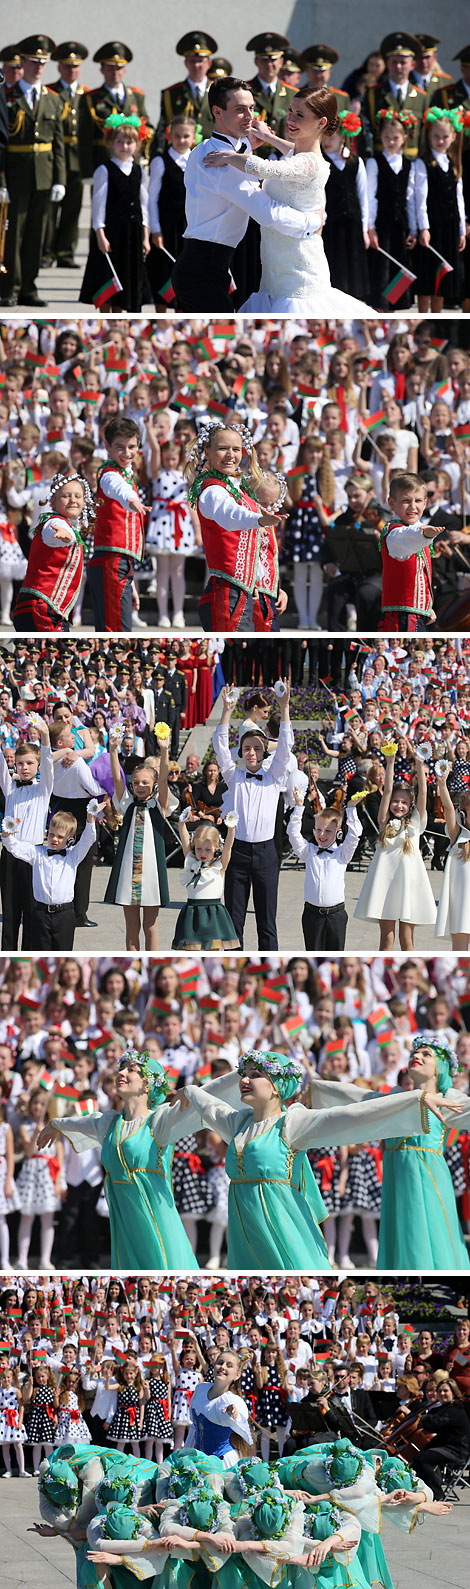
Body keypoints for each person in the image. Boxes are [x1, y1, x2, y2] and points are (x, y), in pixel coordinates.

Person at [182, 1046, 453, 1270]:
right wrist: (188, 1091)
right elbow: (210, 1106)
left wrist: (414, 1100)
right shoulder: (237, 1123)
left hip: (281, 1223)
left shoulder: (291, 1122)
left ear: (277, 1087)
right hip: (244, 1230)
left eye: (256, 1075)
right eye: (245, 1074)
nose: (244, 1080)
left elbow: (352, 1114)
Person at [37, 1046, 237, 1270]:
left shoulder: (159, 1121)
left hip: (154, 1213)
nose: (121, 1073)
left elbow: (211, 1095)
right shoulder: (110, 1123)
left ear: (147, 1084)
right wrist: (56, 1125)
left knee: (163, 1264)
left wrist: (192, 1090)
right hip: (124, 1215)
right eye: (121, 1068)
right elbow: (83, 1122)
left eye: (131, 1070)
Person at [205, 86, 376, 314]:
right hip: (276, 264)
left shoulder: (309, 163)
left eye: (300, 115)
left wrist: (230, 156)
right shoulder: (299, 155)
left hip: (298, 267)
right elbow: (291, 151)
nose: (291, 119)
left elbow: (265, 168)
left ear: (321, 123)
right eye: (291, 111)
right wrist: (268, 137)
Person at [308, 1036, 470, 1270]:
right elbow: (361, 1100)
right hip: (397, 1178)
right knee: (401, 1232)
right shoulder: (395, 1099)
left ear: (441, 1068)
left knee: (426, 1231)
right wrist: (318, 1089)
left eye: (427, 1054)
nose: (417, 1056)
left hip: (428, 1178)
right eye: (416, 1052)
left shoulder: (447, 1100)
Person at [172, 77, 324, 311]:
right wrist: (312, 222)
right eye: (240, 110)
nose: (250, 116)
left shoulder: (210, 149)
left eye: (252, 108)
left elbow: (308, 159)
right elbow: (267, 213)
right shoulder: (221, 161)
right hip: (202, 268)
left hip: (212, 264)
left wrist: (254, 145)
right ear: (217, 111)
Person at [185, 419, 286, 633]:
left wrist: (261, 582)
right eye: (222, 448)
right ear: (208, 452)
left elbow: (252, 547)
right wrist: (258, 519)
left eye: (236, 449)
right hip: (226, 594)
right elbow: (230, 514)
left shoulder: (236, 488)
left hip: (241, 591)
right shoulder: (213, 490)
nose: (231, 455)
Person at [212, 680, 292, 949]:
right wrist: (226, 711)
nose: (252, 753)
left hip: (267, 853)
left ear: (263, 752)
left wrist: (284, 707)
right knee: (233, 920)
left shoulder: (274, 776)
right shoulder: (233, 775)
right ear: (242, 752)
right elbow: (220, 747)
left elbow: (285, 748)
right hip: (237, 852)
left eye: (257, 748)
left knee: (266, 920)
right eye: (247, 748)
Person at [0, 34, 66, 308]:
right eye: (32, 62)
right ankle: (9, 288)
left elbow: (58, 143)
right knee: (13, 233)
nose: (38, 67)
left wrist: (60, 179)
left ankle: (29, 287)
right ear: (22, 62)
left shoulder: (53, 99)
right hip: (16, 174)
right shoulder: (8, 96)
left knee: (37, 235)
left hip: (44, 173)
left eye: (42, 62)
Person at [354, 739, 436, 948]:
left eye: (404, 802)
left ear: (410, 805)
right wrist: (389, 763)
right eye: (396, 801)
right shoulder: (384, 822)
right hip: (385, 885)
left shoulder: (416, 824)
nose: (399, 805)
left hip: (408, 884)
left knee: (407, 940)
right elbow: (388, 790)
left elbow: (424, 794)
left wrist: (419, 765)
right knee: (386, 938)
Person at [105, 726, 177, 950]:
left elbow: (164, 779)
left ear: (153, 784)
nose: (140, 786)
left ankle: (153, 963)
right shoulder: (127, 804)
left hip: (152, 874)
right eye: (136, 783)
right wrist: (114, 751)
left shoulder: (159, 804)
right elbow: (117, 779)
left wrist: (164, 751)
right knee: (131, 927)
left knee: (150, 926)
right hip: (129, 872)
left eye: (145, 782)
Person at [8, 802, 103, 951]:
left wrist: (90, 820)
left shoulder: (73, 855)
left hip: (65, 915)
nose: (54, 839)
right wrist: (7, 835)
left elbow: (88, 840)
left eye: (60, 836)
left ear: (70, 837)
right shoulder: (37, 853)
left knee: (63, 954)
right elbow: (15, 848)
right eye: (51, 834)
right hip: (39, 914)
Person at [80, 112, 150, 313]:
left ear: (137, 144)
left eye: (129, 142)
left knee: (128, 278)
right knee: (108, 277)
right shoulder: (104, 170)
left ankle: (121, 311)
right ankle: (107, 313)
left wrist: (145, 235)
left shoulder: (139, 170)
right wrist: (100, 234)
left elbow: (143, 205)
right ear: (111, 142)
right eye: (120, 142)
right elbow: (98, 205)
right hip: (111, 232)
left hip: (133, 232)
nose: (125, 146)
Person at [13, 470, 92, 634]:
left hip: (42, 607)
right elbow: (52, 532)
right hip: (41, 606)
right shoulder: (54, 522)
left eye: (78, 496)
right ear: (53, 502)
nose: (73, 500)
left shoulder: (69, 526)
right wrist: (66, 536)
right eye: (66, 496)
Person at [86, 417, 146, 632]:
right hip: (110, 562)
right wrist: (131, 499)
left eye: (132, 447)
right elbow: (117, 488)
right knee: (116, 630)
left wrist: (132, 586)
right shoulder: (109, 474)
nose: (127, 453)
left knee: (112, 628)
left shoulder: (126, 474)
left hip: (118, 565)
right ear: (107, 447)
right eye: (119, 447)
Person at [287, 786, 365, 949]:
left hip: (336, 915)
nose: (322, 835)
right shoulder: (308, 851)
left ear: (338, 831)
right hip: (311, 914)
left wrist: (351, 809)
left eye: (328, 831)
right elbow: (293, 834)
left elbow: (354, 835)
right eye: (318, 830)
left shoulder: (342, 853)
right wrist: (299, 807)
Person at [0, 714, 53, 951]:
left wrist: (44, 736)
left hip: (33, 856)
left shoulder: (43, 790)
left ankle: (31, 957)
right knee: (10, 914)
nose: (24, 768)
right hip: (10, 856)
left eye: (30, 763)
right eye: (20, 763)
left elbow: (50, 765)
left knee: (33, 913)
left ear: (38, 765)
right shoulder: (10, 788)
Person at [409, 107, 466, 313]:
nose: (440, 140)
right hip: (433, 228)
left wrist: (461, 230)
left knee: (443, 280)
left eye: (444, 136)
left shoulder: (453, 164)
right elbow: (420, 200)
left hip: (449, 227)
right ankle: (424, 312)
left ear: (452, 137)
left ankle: (437, 313)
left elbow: (459, 200)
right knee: (427, 276)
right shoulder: (423, 164)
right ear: (429, 135)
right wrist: (423, 228)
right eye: (436, 136)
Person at [380, 471, 445, 632]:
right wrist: (424, 533)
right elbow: (406, 538)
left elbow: (419, 576)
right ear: (392, 503)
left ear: (425, 502)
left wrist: (426, 605)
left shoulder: (415, 528)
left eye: (417, 501)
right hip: (402, 614)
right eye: (405, 501)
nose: (413, 506)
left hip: (414, 613)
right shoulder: (394, 531)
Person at [43, 42, 89, 269]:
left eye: (75, 66)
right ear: (59, 68)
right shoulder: (50, 92)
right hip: (55, 158)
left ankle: (65, 253)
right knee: (50, 209)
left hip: (79, 158)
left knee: (73, 208)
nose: (71, 70)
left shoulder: (87, 94)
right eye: (67, 66)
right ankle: (46, 251)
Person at [77, 41, 152, 178]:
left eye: (119, 67)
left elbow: (146, 127)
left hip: (131, 162)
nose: (115, 72)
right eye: (110, 67)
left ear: (124, 70)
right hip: (103, 162)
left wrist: (143, 155)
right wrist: (87, 172)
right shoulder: (91, 98)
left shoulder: (136, 96)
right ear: (102, 70)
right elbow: (84, 139)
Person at [361, 32, 426, 160]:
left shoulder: (421, 96)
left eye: (403, 62)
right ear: (387, 64)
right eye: (394, 62)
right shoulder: (373, 93)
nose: (398, 66)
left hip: (412, 161)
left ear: (412, 65)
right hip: (382, 160)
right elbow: (366, 129)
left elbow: (424, 135)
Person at [185, 1347, 253, 1465]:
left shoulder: (233, 1400)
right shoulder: (201, 1389)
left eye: (229, 1365)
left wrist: (233, 1414)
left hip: (222, 1462)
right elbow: (194, 1428)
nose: (223, 1367)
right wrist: (184, 1454)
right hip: (197, 1460)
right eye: (220, 1363)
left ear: (237, 1375)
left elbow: (241, 1421)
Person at [155, 30, 217, 153]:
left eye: (200, 61)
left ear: (209, 63)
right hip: (182, 156)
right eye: (192, 61)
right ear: (186, 63)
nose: (196, 65)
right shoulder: (171, 94)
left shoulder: (219, 91)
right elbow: (163, 129)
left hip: (213, 154)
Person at [434, 761, 470, 945]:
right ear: (463, 813)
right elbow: (448, 808)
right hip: (462, 907)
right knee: (460, 950)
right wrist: (442, 783)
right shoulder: (458, 835)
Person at [245, 32, 295, 142]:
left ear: (281, 61)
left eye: (273, 60)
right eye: (264, 60)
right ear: (256, 61)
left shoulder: (293, 94)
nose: (269, 64)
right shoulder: (244, 90)